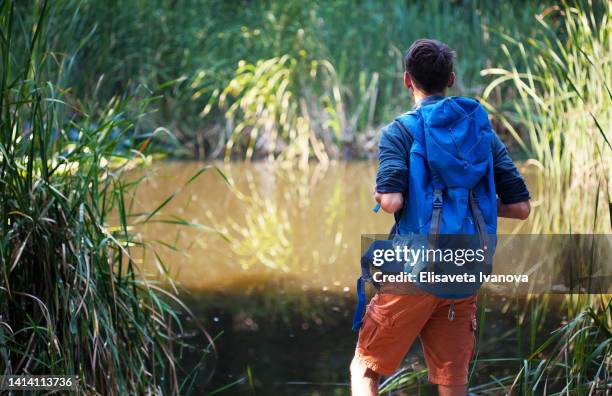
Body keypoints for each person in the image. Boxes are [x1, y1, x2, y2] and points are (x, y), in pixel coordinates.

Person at [350, 39, 531, 396]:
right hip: (465, 270)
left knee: (365, 368)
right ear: (450, 78)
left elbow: (390, 201)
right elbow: (521, 208)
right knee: (452, 380)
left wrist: (381, 194)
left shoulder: (400, 132)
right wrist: (467, 205)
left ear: (407, 80)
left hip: (414, 270)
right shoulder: (482, 133)